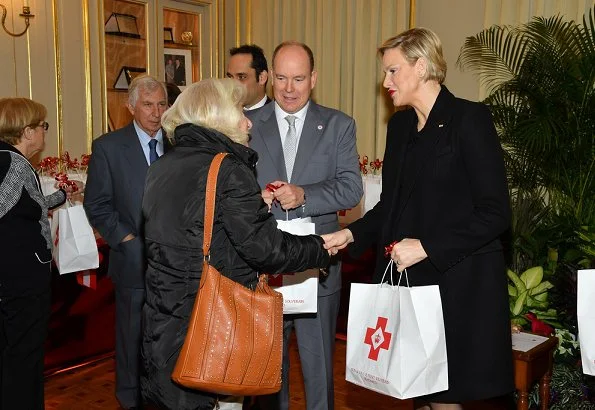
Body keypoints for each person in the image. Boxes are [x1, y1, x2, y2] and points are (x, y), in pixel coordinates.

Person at [322, 28, 514, 408]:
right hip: (411, 286)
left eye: (393, 71)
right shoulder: (400, 127)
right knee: (417, 392)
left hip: (458, 287)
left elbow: (495, 213)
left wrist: (428, 247)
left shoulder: (469, 120)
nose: (386, 81)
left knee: (444, 396)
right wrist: (351, 235)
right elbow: (390, 206)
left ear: (422, 66)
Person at [139, 78, 331, 410]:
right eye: (240, 111)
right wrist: (320, 248)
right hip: (212, 327)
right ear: (219, 117)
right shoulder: (227, 168)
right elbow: (266, 249)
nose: (248, 121)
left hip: (164, 321)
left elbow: (195, 226)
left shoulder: (163, 166)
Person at [248, 41, 363, 410]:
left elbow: (351, 188)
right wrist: (255, 199)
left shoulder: (338, 125)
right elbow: (230, 188)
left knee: (318, 370)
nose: (288, 88)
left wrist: (304, 195)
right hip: (265, 266)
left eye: (298, 78)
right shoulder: (247, 124)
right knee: (269, 371)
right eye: (280, 78)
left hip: (318, 263)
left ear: (313, 78)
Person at [84, 75, 169, 410]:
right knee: (131, 339)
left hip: (175, 264)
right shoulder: (108, 147)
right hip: (133, 260)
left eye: (162, 104)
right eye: (148, 104)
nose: (156, 112)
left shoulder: (180, 144)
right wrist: (129, 240)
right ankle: (130, 401)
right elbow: (97, 204)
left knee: (169, 337)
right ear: (131, 106)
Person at [0, 98, 78, 409]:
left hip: (15, 280)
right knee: (23, 357)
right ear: (28, 131)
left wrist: (61, 196)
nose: (45, 132)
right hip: (19, 284)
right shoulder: (11, 162)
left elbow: (24, 205)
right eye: (43, 126)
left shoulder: (12, 160)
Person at [226, 44, 271, 110]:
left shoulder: (278, 117)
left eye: (241, 77)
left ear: (262, 78)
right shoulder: (221, 114)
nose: (233, 85)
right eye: (230, 77)